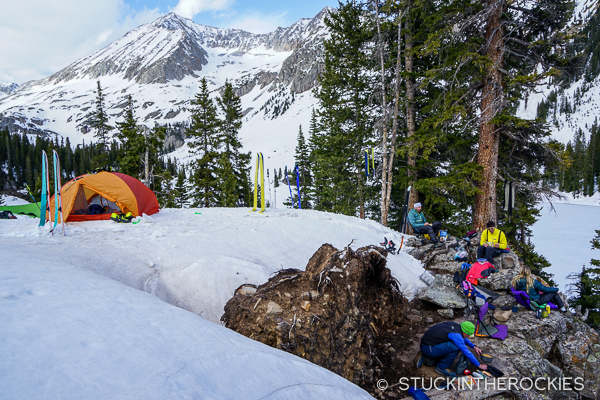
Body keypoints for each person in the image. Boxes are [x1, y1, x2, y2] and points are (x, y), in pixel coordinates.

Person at [415, 321, 487, 378]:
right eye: (468, 334)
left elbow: (461, 339)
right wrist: (479, 365)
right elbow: (466, 352)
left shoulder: (456, 326)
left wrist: (473, 346)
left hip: (427, 344)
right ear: (465, 332)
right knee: (455, 347)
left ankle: (426, 358)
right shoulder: (455, 335)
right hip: (429, 348)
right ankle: (441, 368)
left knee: (453, 343)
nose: (468, 336)